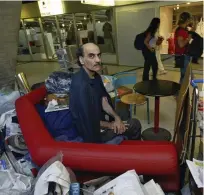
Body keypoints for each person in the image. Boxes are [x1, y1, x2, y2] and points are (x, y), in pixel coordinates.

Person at [69, 43, 141, 143]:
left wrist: (116, 118)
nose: (98, 60)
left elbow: (103, 100)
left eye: (99, 55)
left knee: (124, 111)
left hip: (99, 121)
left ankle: (125, 141)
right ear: (81, 60)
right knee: (135, 124)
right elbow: (88, 121)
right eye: (91, 56)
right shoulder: (80, 86)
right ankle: (134, 153)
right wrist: (111, 125)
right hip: (93, 133)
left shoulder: (95, 76)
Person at [174, 12, 192, 84]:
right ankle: (180, 93)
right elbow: (181, 44)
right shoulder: (181, 30)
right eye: (189, 19)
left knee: (185, 76)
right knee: (184, 76)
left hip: (181, 55)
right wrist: (188, 38)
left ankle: (181, 92)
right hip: (182, 56)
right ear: (187, 19)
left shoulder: (180, 29)